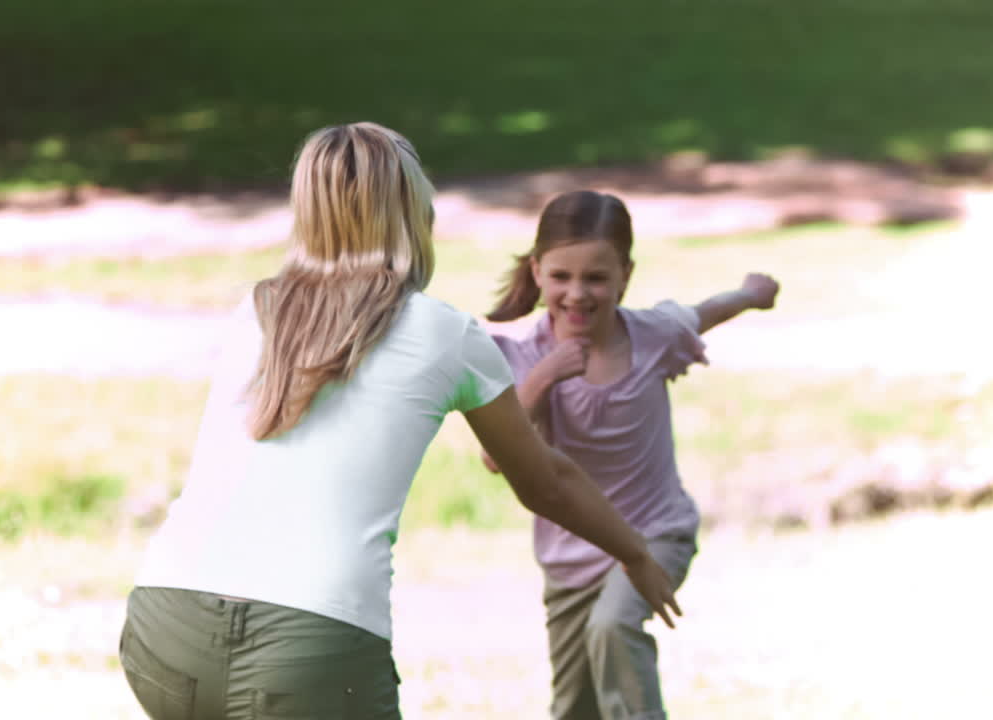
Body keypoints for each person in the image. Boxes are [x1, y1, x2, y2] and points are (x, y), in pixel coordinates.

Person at [118, 125, 681, 720]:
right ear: (415, 213)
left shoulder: (256, 311)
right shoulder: (444, 333)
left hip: (165, 625)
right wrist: (637, 554)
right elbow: (546, 482)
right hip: (312, 642)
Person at [483, 190, 780, 720]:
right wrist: (543, 378)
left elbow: (705, 312)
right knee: (575, 708)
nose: (577, 294)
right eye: (561, 277)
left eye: (596, 278)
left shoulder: (653, 336)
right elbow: (496, 459)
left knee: (614, 625)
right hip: (570, 560)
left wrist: (750, 293)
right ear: (537, 272)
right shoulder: (523, 354)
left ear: (625, 275)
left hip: (654, 532)